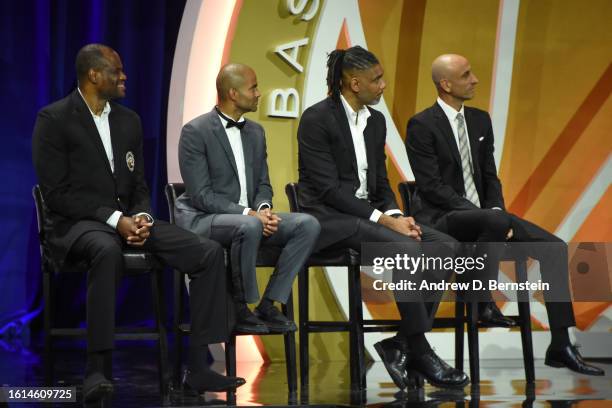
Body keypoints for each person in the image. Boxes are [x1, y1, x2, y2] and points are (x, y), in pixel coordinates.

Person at [32, 44, 246, 403]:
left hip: (128, 220)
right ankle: (97, 369)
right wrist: (116, 220)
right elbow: (57, 194)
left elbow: (139, 184)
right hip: (78, 225)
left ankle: (198, 365)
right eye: (116, 70)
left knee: (207, 252)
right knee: (106, 250)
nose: (124, 76)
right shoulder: (54, 119)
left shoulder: (128, 120)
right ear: (94, 75)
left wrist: (143, 217)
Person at [405, 53, 604, 376]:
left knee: (554, 246)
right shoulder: (422, 125)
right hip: (443, 218)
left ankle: (560, 343)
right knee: (495, 221)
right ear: (446, 84)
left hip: (487, 219)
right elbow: (432, 188)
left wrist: (496, 212)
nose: (475, 80)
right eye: (467, 74)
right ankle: (482, 300)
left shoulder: (481, 120)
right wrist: (488, 217)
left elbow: (489, 176)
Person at [296, 45, 469, 390]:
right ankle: (419, 348)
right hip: (330, 220)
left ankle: (401, 343)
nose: (383, 85)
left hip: (370, 219)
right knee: (407, 248)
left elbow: (379, 181)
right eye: (376, 80)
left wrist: (395, 214)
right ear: (354, 83)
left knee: (446, 246)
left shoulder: (376, 121)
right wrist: (385, 221)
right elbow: (330, 191)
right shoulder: (317, 119)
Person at [175, 63, 320, 334]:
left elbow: (263, 183)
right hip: (205, 220)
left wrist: (263, 208)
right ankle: (240, 307)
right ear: (232, 93)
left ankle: (268, 303)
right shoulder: (195, 132)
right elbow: (201, 196)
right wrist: (249, 214)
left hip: (248, 219)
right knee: (250, 225)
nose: (258, 93)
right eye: (253, 87)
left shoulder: (256, 132)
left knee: (307, 224)